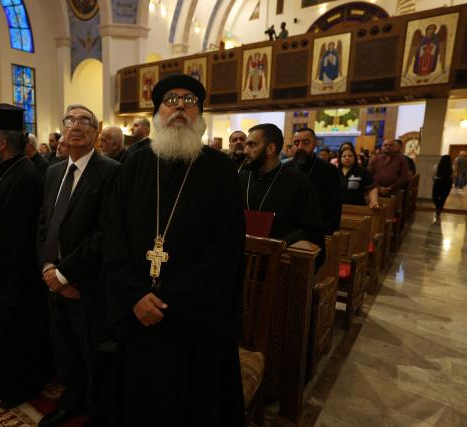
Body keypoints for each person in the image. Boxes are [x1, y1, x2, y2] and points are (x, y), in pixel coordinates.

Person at [104, 74, 245, 426]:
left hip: (195, 318)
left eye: (189, 101)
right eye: (171, 99)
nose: (180, 107)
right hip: (136, 309)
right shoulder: (134, 164)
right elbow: (113, 235)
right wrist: (135, 295)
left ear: (200, 114)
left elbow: (226, 248)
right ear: (157, 112)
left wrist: (169, 298)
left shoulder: (221, 169)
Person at [36, 104, 120, 427]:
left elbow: (105, 233)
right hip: (53, 280)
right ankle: (72, 401)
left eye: (85, 121)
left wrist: (64, 274)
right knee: (64, 349)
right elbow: (44, 225)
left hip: (87, 284)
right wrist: (47, 267)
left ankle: (98, 412)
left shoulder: (111, 171)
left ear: (96, 131)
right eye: (70, 120)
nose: (76, 126)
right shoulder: (54, 171)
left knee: (92, 354)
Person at [0, 104, 51, 408]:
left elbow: (7, 235)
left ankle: (18, 388)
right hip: (2, 273)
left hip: (12, 275)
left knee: (13, 336)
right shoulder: (7, 170)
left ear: (2, 143)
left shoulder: (23, 176)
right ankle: (6, 385)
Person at [241, 123, 325, 267]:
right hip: (240, 258)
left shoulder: (299, 182)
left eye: (252, 145)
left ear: (270, 148)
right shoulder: (240, 178)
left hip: (279, 262)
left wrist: (278, 245)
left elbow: (311, 229)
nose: (245, 151)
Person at [289, 127, 342, 235]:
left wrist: (327, 234)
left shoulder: (329, 170)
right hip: (289, 229)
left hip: (318, 229)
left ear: (315, 144)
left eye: (305, 142)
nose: (300, 147)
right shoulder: (285, 168)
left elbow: (334, 208)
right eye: (296, 143)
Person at [432, 155, 454, 221]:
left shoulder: (437, 166)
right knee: (443, 197)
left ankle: (438, 207)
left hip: (438, 182)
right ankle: (439, 209)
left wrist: (435, 181)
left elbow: (433, 175)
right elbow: (452, 176)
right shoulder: (451, 168)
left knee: (434, 196)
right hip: (448, 183)